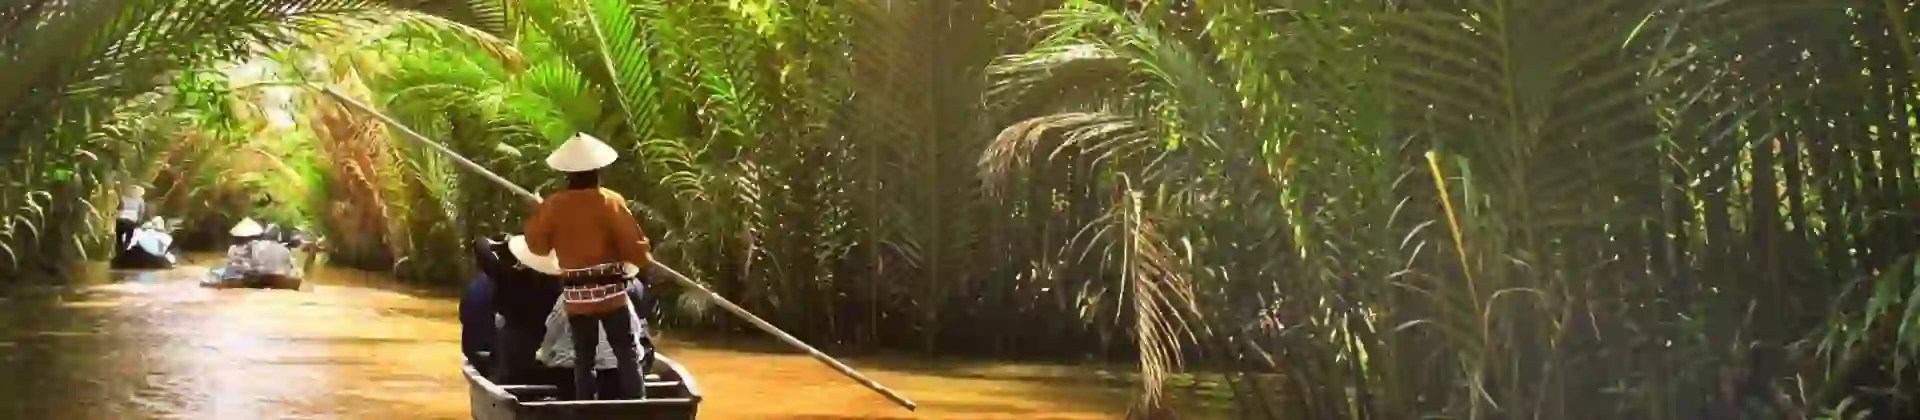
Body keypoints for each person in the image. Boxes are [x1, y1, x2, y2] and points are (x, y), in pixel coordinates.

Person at [518, 132, 654, 400]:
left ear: (568, 175)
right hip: (612, 295)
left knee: (584, 358)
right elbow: (633, 247)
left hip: (577, 297)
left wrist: (539, 212)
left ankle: (584, 407)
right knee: (625, 351)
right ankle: (638, 405)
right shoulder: (610, 202)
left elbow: (538, 247)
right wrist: (645, 259)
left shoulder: (554, 206)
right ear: (597, 171)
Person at [210, 218, 298, 285]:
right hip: (280, 276)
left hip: (262, 275)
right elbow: (292, 267)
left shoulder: (255, 245)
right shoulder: (285, 249)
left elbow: (248, 263)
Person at [115, 185, 146, 250]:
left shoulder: (123, 198)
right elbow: (141, 212)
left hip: (120, 219)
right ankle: (125, 248)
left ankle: (119, 250)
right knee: (129, 237)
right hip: (131, 220)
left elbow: (117, 208)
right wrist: (139, 221)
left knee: (119, 237)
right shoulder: (140, 200)